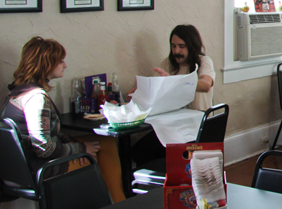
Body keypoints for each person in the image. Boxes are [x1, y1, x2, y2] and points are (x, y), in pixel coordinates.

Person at [1, 37, 125, 202]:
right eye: (60, 61)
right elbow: (44, 149)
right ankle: (118, 202)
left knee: (105, 142)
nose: (65, 65)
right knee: (92, 156)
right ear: (46, 64)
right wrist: (79, 148)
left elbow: (52, 134)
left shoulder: (17, 92)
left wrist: (77, 145)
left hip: (25, 166)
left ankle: (120, 201)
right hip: (41, 169)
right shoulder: (36, 98)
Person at [129, 24, 216, 166]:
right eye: (173, 46)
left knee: (168, 154)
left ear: (191, 46)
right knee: (138, 152)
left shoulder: (204, 62)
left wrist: (174, 81)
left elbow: (205, 84)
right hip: (172, 125)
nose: (176, 51)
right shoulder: (168, 63)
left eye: (181, 46)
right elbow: (155, 88)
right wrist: (139, 92)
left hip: (196, 126)